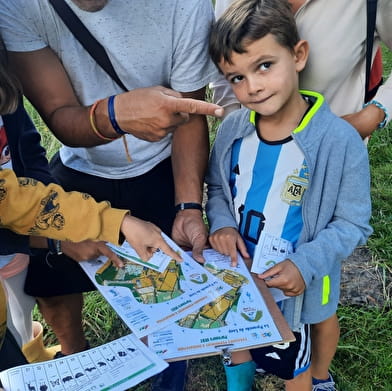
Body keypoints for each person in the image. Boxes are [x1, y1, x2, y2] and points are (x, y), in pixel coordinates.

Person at [0, 1, 222, 388]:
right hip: (79, 165)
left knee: (168, 281)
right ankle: (76, 360)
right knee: (51, 283)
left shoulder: (186, 5)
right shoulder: (17, 6)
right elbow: (58, 117)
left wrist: (188, 206)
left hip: (161, 162)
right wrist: (114, 115)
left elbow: (190, 113)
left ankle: (168, 375)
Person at [211, 0, 391, 389]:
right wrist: (223, 223)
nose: (252, 86)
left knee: (311, 330)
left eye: (263, 66)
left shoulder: (339, 140)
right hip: (242, 268)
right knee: (237, 339)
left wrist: (305, 263)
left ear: (298, 55)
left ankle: (321, 378)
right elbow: (219, 190)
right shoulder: (231, 133)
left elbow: (352, 222)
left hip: (305, 272)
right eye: (235, 78)